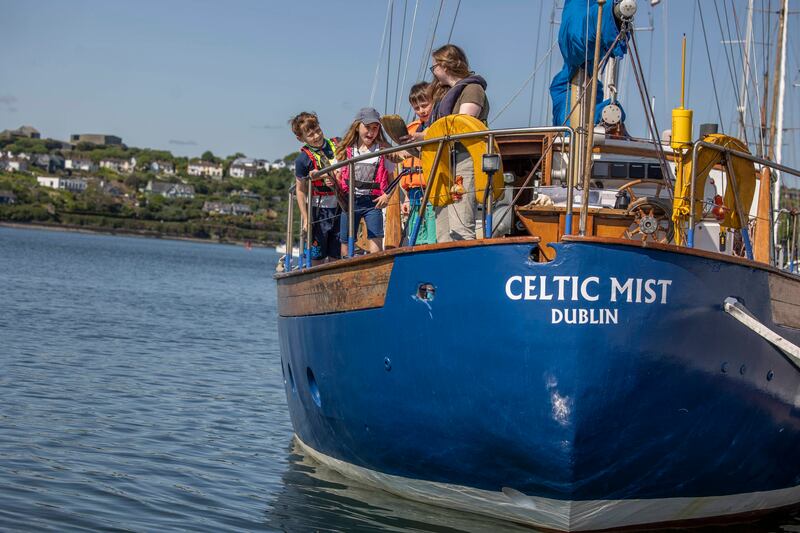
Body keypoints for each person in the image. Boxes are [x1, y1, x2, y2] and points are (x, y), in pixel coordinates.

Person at [402, 44, 489, 242]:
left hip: (464, 159)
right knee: (442, 230)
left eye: (434, 67)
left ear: (445, 66)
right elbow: (441, 130)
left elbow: (462, 125)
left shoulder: (472, 90)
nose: (433, 72)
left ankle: (464, 268)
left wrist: (425, 135)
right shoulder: (444, 96)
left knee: (460, 225)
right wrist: (417, 139)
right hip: (443, 162)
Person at [337, 107, 405, 256]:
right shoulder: (347, 150)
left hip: (373, 202)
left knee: (376, 241)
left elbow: (392, 179)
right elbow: (337, 175)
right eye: (367, 127)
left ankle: (374, 269)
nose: (371, 132)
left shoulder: (382, 150)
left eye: (375, 128)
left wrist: (387, 195)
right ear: (357, 127)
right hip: (350, 202)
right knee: (345, 242)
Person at [289, 112, 341, 265]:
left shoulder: (337, 144)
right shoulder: (302, 160)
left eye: (318, 131)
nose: (316, 136)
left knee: (337, 252)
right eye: (310, 135)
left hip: (342, 205)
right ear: (301, 138)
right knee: (316, 255)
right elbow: (300, 190)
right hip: (319, 209)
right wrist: (306, 217)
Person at [400, 82, 437, 245]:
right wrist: (406, 197)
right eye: (417, 108)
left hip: (433, 189)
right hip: (414, 191)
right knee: (415, 235)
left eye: (425, 105)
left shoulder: (437, 127)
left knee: (432, 233)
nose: (421, 110)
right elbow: (404, 167)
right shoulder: (412, 129)